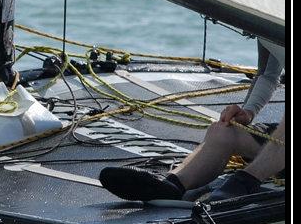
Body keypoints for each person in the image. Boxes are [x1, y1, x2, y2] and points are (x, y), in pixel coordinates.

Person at [99, 38, 285, 202]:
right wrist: (248, 112)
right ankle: (173, 184)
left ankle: (247, 180)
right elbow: (268, 75)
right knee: (223, 131)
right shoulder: (269, 19)